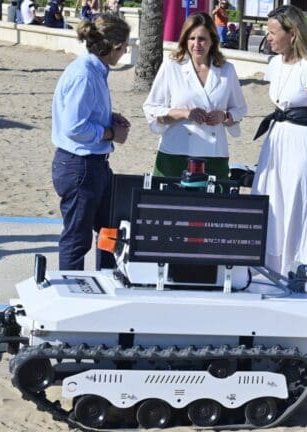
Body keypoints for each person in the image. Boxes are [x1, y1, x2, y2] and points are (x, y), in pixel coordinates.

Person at [252, 5, 307, 290]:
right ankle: (269, 274)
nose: (268, 36)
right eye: (268, 31)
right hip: (277, 142)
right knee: (272, 203)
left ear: (293, 34)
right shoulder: (275, 64)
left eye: (273, 32)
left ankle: (300, 279)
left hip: (303, 144)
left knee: (298, 208)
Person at [51, 14, 131, 271]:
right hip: (80, 166)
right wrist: (110, 133)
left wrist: (109, 118)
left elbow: (83, 114)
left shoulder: (93, 71)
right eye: (125, 46)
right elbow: (74, 127)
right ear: (115, 47)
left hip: (92, 165)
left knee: (110, 229)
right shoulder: (85, 75)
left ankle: (107, 282)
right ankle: (70, 290)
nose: (126, 51)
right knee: (77, 239)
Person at [142, 13, 247, 180]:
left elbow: (240, 108)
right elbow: (152, 108)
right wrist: (185, 113)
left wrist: (224, 116)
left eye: (202, 39)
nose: (196, 44)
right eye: (192, 38)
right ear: (185, 40)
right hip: (175, 153)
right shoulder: (172, 67)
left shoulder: (227, 70)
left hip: (214, 155)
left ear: (212, 40)